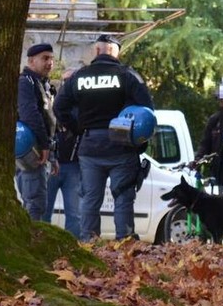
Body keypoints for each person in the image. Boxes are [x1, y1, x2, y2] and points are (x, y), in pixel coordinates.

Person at [53, 34, 154, 242]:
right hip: (122, 145)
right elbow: (147, 110)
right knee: (123, 197)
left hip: (90, 145)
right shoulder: (127, 76)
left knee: (90, 199)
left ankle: (89, 244)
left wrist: (77, 128)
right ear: (115, 53)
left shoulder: (79, 77)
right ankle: (125, 244)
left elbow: (59, 107)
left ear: (97, 50)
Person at [17, 43, 56, 220]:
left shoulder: (42, 83)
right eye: (45, 58)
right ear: (31, 61)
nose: (50, 63)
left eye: (52, 59)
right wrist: (44, 145)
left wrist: (52, 154)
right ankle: (30, 235)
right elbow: (30, 115)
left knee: (35, 200)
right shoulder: (26, 82)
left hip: (38, 148)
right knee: (35, 202)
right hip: (32, 148)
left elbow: (49, 120)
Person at [42, 68, 82, 237]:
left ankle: (74, 246)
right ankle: (41, 244)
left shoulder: (81, 106)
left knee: (74, 214)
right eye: (64, 81)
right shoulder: (52, 103)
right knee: (44, 211)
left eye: (70, 80)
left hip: (73, 165)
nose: (67, 84)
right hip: (52, 163)